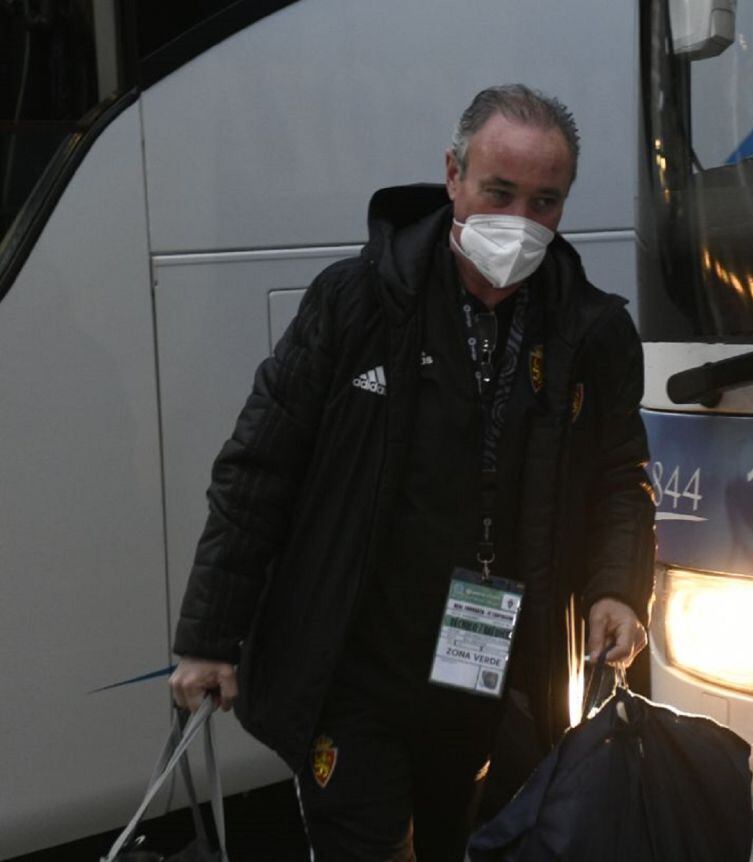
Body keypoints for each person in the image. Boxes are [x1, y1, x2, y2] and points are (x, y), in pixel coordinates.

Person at [169, 84, 655, 862]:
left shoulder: (589, 329)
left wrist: (617, 587)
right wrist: (208, 637)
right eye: (499, 192)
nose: (520, 223)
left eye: (545, 202)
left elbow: (621, 476)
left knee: (471, 842)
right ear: (453, 175)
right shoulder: (356, 304)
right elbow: (258, 468)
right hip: (356, 665)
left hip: (487, 665)